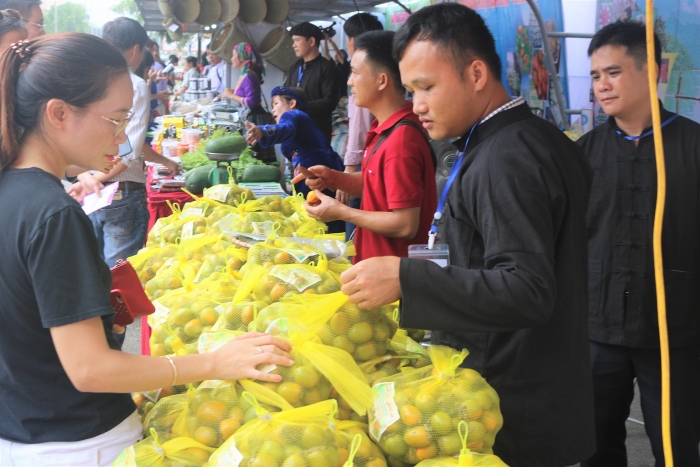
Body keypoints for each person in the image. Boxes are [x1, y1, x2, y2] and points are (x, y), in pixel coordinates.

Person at [0, 32, 294, 467]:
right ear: (59, 113)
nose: (121, 141)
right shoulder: (54, 214)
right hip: (80, 445)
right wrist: (213, 363)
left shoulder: (14, 190)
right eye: (116, 120)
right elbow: (91, 370)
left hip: (23, 432)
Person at [335, 4, 596, 466]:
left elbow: (527, 288)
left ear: (476, 73)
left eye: (427, 87)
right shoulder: (529, 138)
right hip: (537, 383)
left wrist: (406, 277)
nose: (416, 105)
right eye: (411, 89)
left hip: (510, 404)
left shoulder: (506, 159)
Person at [578, 20, 700, 467]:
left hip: (674, 329)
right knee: (595, 444)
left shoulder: (692, 146)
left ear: (652, 70)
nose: (602, 86)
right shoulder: (582, 155)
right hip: (598, 325)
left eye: (613, 72)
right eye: (595, 76)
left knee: (675, 444)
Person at [301, 31, 437, 263]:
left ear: (381, 80)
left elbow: (405, 224)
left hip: (394, 282)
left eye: (354, 73)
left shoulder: (401, 140)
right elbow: (377, 185)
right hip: (374, 270)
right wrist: (332, 178)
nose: (349, 81)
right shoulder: (385, 128)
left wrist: (341, 212)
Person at [244, 86, 345, 232]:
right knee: (324, 217)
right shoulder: (302, 120)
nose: (273, 110)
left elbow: (286, 128)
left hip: (314, 169)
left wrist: (264, 131)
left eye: (276, 104)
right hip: (316, 169)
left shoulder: (294, 115)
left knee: (317, 219)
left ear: (292, 103)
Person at [338, 12, 384, 240]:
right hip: (367, 162)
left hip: (363, 165)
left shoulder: (363, 74)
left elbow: (358, 125)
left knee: (356, 240)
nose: (349, 81)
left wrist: (348, 170)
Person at [221, 42, 277, 164]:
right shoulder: (245, 75)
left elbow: (251, 102)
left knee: (257, 156)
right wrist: (233, 92)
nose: (231, 59)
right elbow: (246, 94)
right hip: (252, 116)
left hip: (256, 118)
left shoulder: (248, 76)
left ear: (241, 58)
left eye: (233, 55)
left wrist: (231, 96)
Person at [284, 22, 339, 142]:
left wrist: (300, 106)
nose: (294, 45)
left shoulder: (327, 68)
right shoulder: (295, 66)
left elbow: (330, 101)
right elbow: (286, 91)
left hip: (316, 134)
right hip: (293, 130)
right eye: (293, 41)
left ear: (311, 41)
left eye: (297, 40)